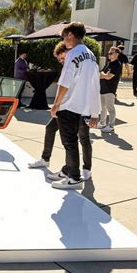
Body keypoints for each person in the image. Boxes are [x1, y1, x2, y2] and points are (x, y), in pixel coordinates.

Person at [28, 42, 93, 181]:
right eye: (59, 60)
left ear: (69, 52)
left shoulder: (82, 61)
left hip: (80, 107)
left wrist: (94, 112)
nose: (61, 61)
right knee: (51, 128)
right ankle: (48, 160)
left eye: (62, 58)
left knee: (82, 138)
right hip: (66, 107)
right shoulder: (73, 64)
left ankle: (85, 169)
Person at [48, 22, 100, 190]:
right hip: (82, 107)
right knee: (74, 141)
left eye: (64, 36)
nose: (64, 40)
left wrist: (56, 104)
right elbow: (95, 85)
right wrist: (94, 112)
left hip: (69, 105)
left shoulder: (73, 53)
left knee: (69, 143)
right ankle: (69, 171)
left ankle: (74, 178)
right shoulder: (91, 55)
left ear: (70, 34)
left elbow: (65, 81)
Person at [98, 46, 122, 133]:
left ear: (117, 54)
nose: (109, 54)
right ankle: (102, 123)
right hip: (103, 89)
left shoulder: (117, 65)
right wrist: (104, 74)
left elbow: (108, 77)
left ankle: (111, 125)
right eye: (108, 53)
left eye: (111, 53)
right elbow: (101, 73)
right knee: (102, 108)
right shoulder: (108, 63)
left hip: (110, 90)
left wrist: (104, 75)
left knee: (110, 108)